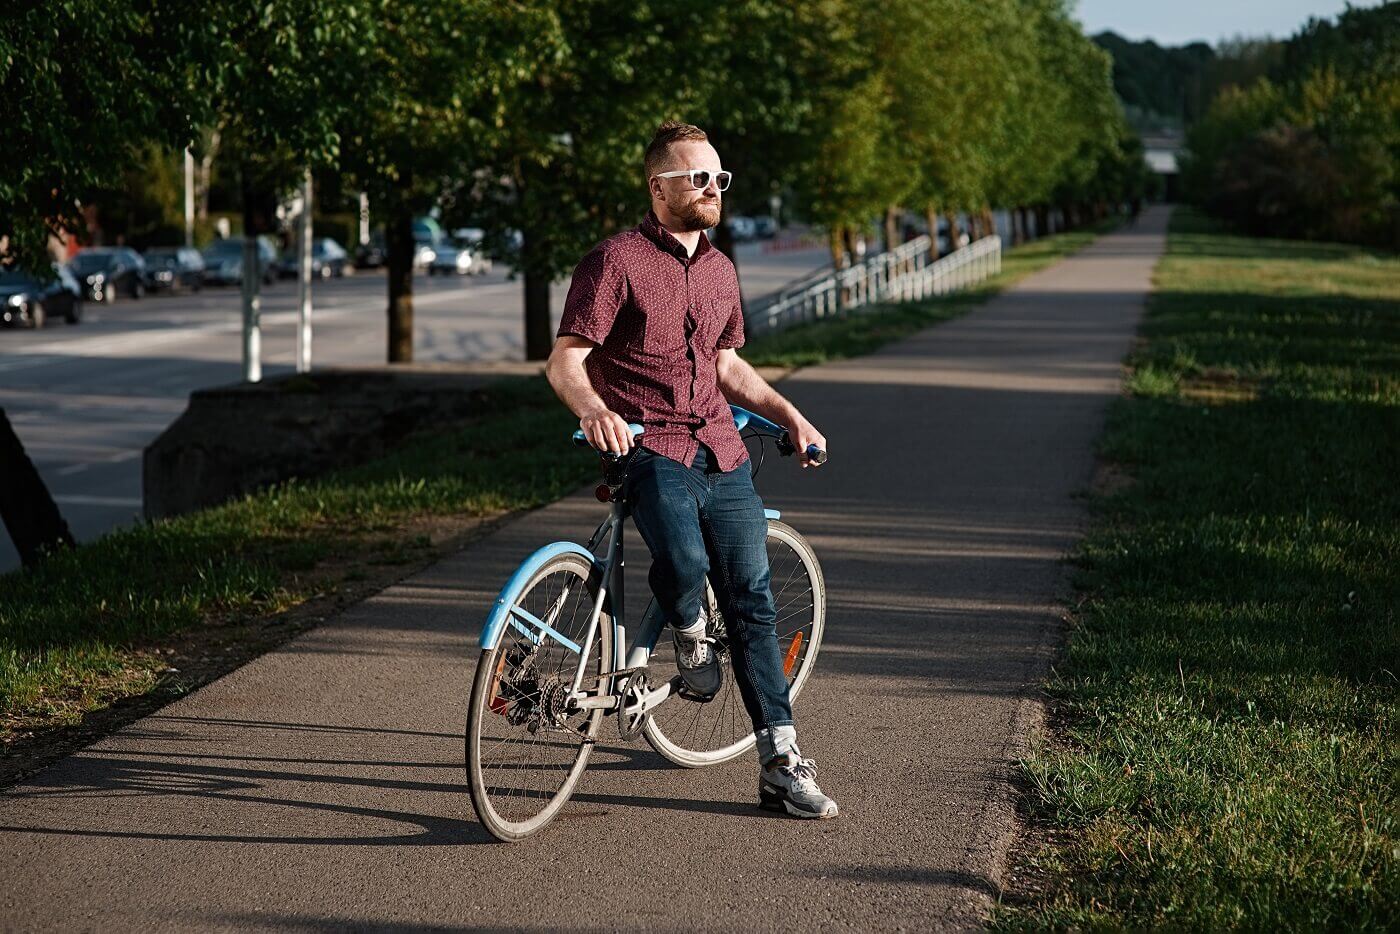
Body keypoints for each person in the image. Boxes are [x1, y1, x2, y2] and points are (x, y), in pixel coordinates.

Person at [544, 120, 838, 820]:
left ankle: (780, 761)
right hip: (648, 444)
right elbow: (565, 361)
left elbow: (729, 366)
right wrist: (593, 411)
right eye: (697, 178)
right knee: (680, 555)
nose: (712, 189)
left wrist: (792, 417)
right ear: (659, 187)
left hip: (720, 446)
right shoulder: (613, 260)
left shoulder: (720, 270)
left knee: (753, 599)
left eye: (718, 178)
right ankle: (689, 633)